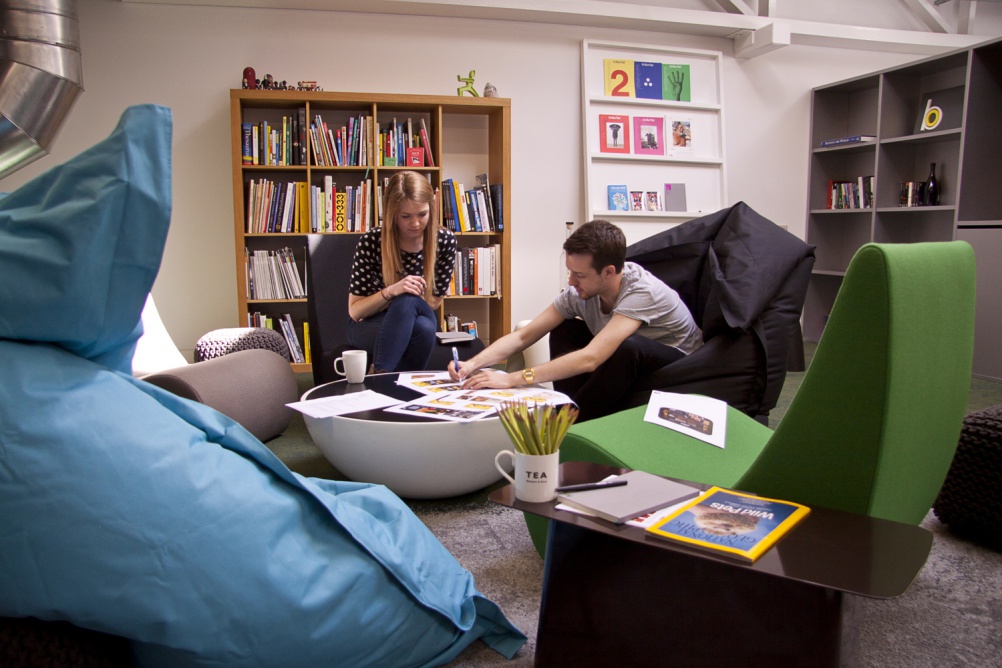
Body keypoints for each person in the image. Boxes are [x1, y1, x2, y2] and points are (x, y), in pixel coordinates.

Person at [449, 219, 702, 421]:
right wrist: (472, 364)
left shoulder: (642, 291)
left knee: (630, 346)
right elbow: (524, 336)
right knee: (565, 328)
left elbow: (591, 358)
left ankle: (572, 422)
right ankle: (568, 409)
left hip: (678, 365)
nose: (570, 282)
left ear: (609, 272)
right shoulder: (579, 293)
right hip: (622, 364)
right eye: (570, 272)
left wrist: (511, 378)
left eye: (579, 275)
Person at [347, 171, 457, 372]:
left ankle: (379, 377)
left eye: (422, 214)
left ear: (431, 209)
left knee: (409, 303)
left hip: (420, 313)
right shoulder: (372, 241)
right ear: (392, 214)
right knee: (422, 328)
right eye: (405, 216)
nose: (415, 224)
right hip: (369, 324)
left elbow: (433, 301)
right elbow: (355, 311)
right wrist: (392, 292)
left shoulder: (444, 241)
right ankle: (404, 390)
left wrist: (405, 297)